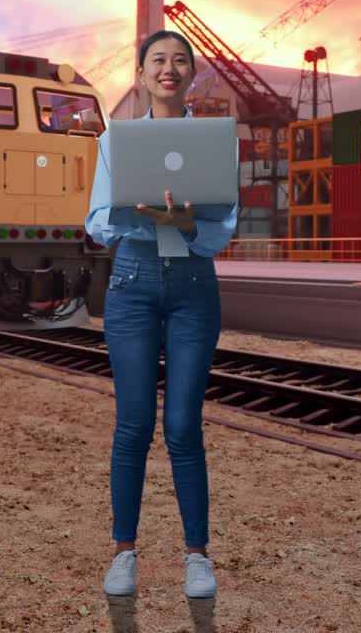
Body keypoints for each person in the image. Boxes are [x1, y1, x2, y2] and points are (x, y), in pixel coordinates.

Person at [84, 30, 238, 601]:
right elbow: (96, 222)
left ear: (190, 74)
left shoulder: (216, 138)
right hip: (133, 284)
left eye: (179, 61)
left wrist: (188, 225)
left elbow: (226, 225)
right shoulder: (115, 140)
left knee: (181, 427)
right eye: (158, 61)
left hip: (194, 288)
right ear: (143, 74)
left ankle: (197, 557)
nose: (168, 69)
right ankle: (124, 553)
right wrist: (142, 218)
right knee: (133, 426)